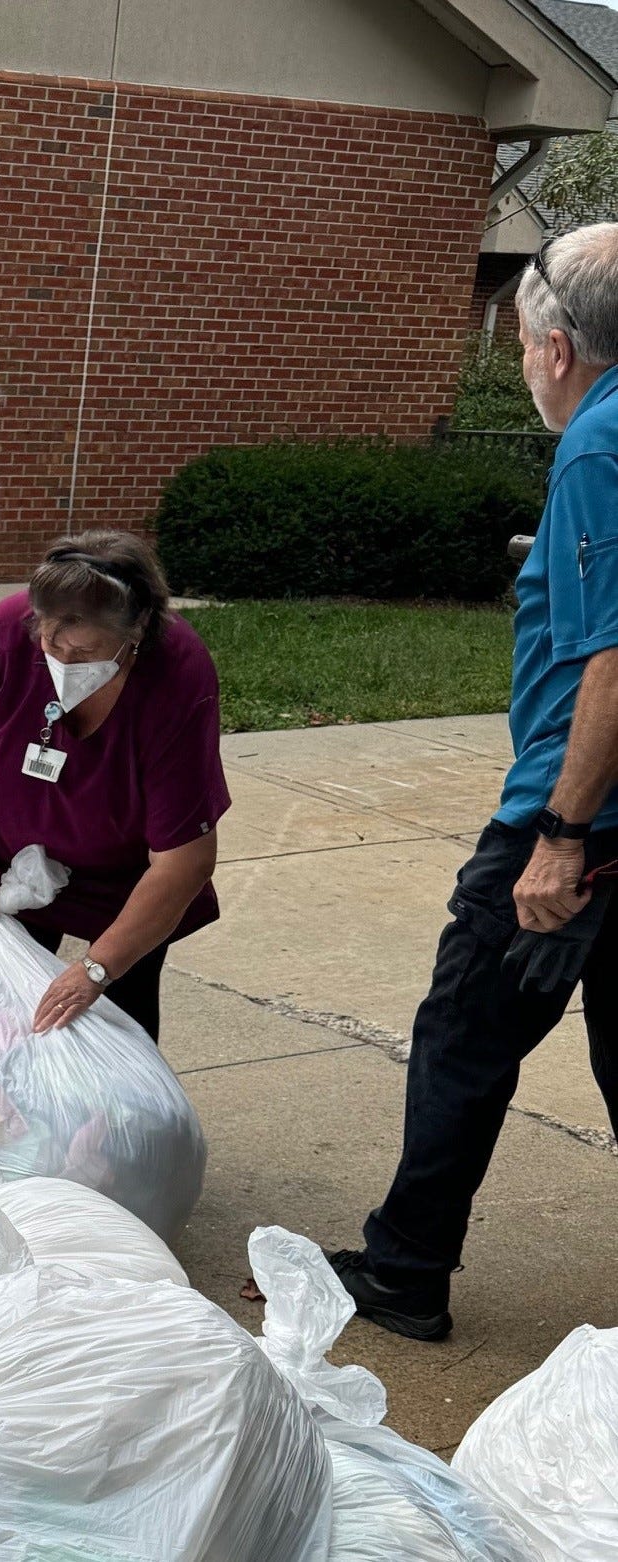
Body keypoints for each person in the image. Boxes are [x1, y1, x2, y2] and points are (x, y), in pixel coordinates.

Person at [332, 223, 618, 1343]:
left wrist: (562, 832)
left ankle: (403, 1271)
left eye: (522, 341)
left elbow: (612, 660)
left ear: (557, 349)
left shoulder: (598, 446)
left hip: (578, 820)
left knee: (465, 1034)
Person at [0, 531, 231, 1043]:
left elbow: (184, 860)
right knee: (1, 1021)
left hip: (128, 880)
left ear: (137, 629)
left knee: (122, 1023)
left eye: (86, 651)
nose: (64, 663)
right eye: (52, 644)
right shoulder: (8, 630)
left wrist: (97, 968)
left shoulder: (178, 675)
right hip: (17, 866)